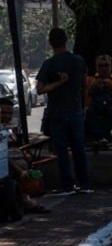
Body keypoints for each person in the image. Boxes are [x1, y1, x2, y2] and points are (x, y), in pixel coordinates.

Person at [36, 28, 93, 195]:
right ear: (66, 40)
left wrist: (59, 84)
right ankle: (85, 184)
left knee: (61, 150)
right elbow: (85, 84)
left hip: (57, 112)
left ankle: (67, 185)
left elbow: (40, 89)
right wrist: (83, 106)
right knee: (78, 149)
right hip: (75, 110)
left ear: (50, 43)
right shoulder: (78, 61)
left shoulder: (49, 64)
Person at [1, 97, 50, 214]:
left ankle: (25, 199)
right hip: (5, 165)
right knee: (19, 167)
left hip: (9, 162)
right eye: (3, 113)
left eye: (10, 113)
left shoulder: (7, 129)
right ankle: (26, 201)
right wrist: (19, 171)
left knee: (24, 162)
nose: (7, 116)